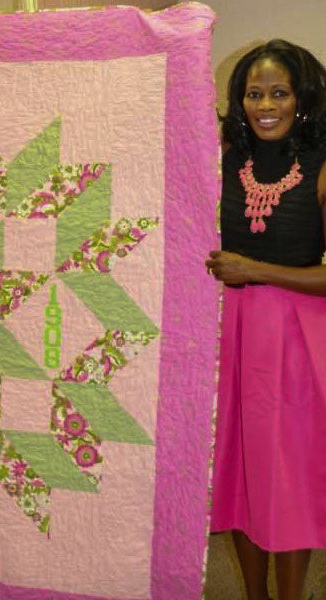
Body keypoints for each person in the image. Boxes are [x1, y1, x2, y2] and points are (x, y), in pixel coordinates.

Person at [206, 39, 326, 600]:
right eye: (254, 93)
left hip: (295, 341)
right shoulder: (227, 158)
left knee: (286, 484)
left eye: (280, 92)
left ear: (302, 99)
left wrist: (254, 268)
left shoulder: (324, 166)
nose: (265, 104)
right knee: (237, 480)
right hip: (228, 335)